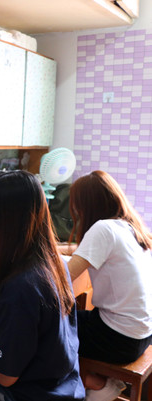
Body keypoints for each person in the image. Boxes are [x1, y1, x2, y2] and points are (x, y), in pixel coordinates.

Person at [0, 171, 85, 401]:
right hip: (61, 386)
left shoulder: (22, 288)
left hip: (31, 393)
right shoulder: (51, 262)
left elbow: (5, 376)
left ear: (14, 221)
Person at [66, 170, 152, 399]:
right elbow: (80, 252)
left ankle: (95, 383)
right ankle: (94, 379)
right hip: (142, 334)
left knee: (51, 322)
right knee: (73, 316)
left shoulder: (102, 229)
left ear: (87, 205)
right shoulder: (129, 228)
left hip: (119, 340)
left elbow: (65, 277)